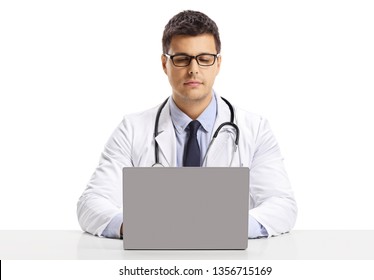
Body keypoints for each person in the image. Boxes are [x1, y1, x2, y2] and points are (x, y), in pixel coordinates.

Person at [77, 10, 297, 239]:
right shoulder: (132, 129)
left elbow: (281, 204)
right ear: (165, 63)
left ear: (218, 63)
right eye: (182, 59)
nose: (194, 69)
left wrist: (227, 227)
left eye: (204, 59)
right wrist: (139, 226)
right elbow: (91, 203)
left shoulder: (255, 129)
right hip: (153, 261)